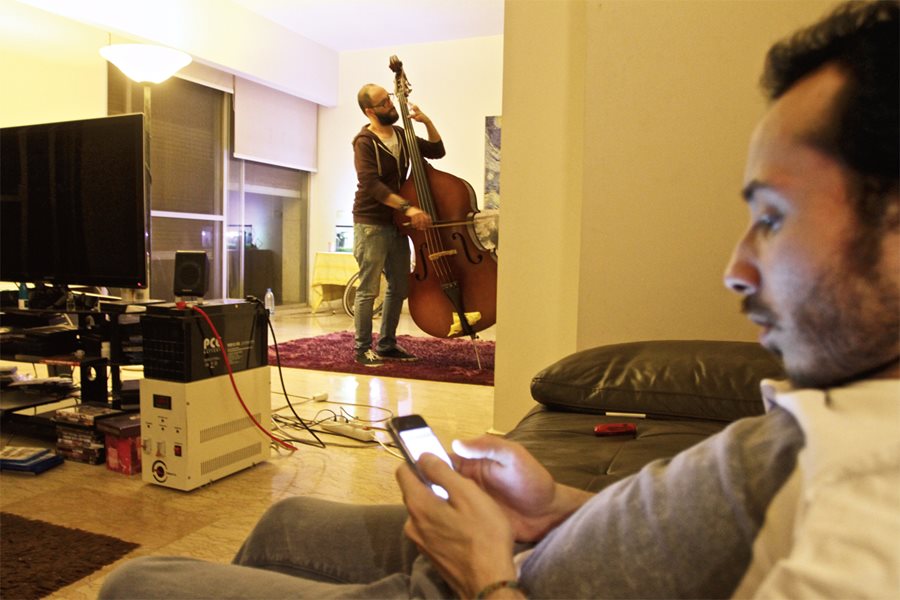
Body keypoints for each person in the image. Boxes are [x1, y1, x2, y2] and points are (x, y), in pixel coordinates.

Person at [99, 2, 898, 598]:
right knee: (281, 521)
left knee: (139, 584)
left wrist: (487, 571)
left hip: (494, 584)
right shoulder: (855, 403)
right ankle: (378, 343)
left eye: (772, 218)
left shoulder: (874, 503)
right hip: (537, 538)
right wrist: (559, 503)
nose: (735, 269)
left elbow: (432, 161)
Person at [350, 83, 443, 367]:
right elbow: (372, 186)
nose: (391, 105)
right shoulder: (364, 142)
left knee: (400, 286)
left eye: (390, 99)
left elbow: (437, 151)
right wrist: (409, 207)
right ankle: (362, 348)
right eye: (384, 103)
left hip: (396, 224)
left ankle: (387, 345)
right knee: (368, 289)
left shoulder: (402, 135)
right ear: (370, 111)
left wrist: (427, 121)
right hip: (371, 223)